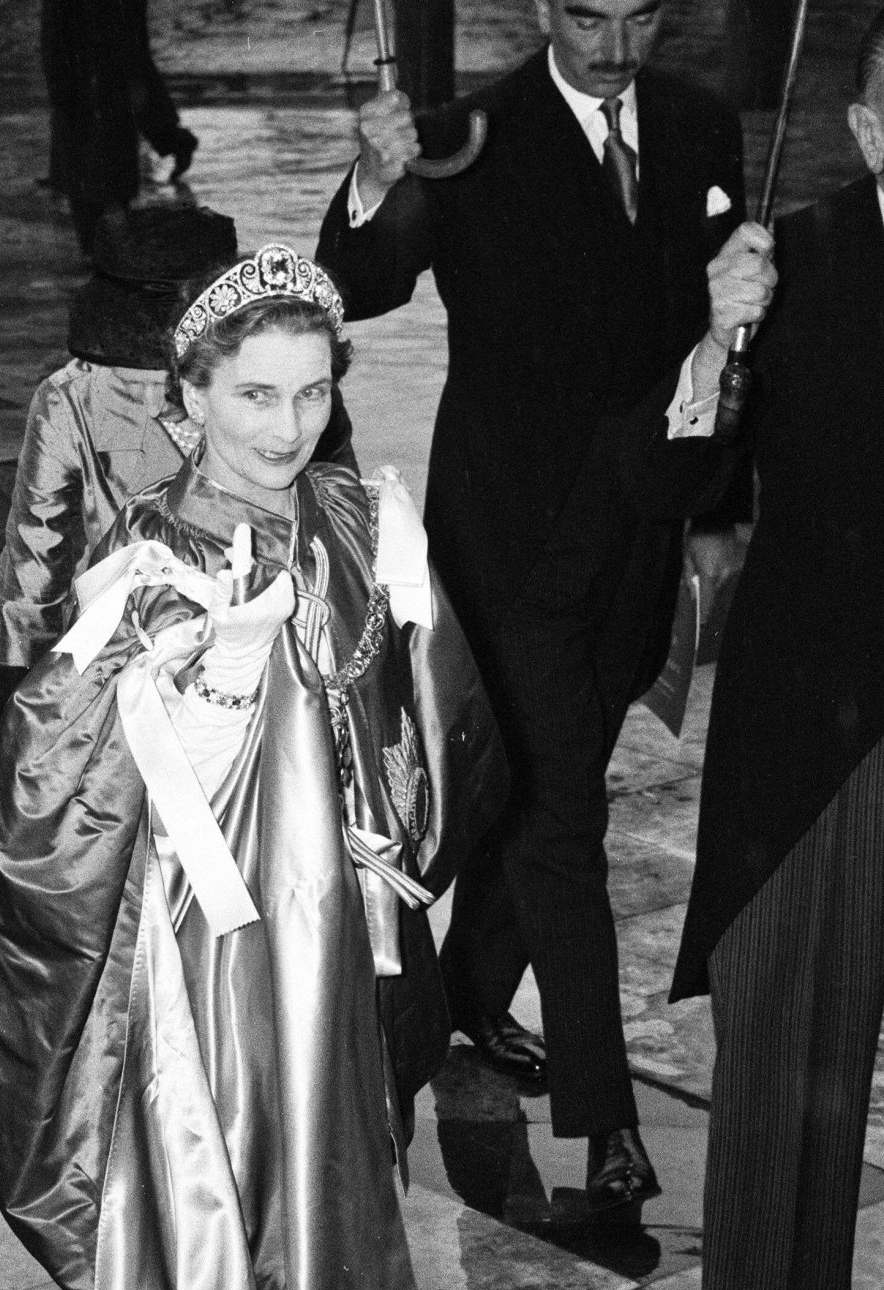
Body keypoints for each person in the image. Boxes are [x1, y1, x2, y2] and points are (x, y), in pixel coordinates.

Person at [0, 245, 507, 1290]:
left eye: (313, 391)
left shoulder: (356, 515)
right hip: (204, 977)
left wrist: (406, 679)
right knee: (206, 1239)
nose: (286, 425)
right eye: (254, 394)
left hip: (333, 960)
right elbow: (37, 793)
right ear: (187, 398)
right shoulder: (143, 560)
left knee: (325, 1236)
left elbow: (428, 731)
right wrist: (161, 695)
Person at [316, 0, 748, 1206]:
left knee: (537, 781)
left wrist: (714, 511)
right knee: (564, 820)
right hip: (510, 543)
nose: (615, 46)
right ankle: (604, 1126)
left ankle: (463, 997)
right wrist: (373, 173)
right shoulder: (472, 136)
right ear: (547, 9)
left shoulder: (700, 125)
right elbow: (360, 283)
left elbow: (725, 333)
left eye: (640, 16)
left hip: (640, 537)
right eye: (589, 17)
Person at [621, 10, 884, 1290]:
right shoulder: (790, 265)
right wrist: (714, 337)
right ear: (867, 129)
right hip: (813, 744)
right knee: (791, 1065)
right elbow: (689, 478)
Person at [0, 201, 357, 723]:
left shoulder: (70, 393)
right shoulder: (290, 380)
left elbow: (36, 566)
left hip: (131, 662)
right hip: (263, 645)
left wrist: (19, 708)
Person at [40, 0, 197, 257]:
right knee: (94, 176)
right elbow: (55, 43)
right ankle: (173, 141)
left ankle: (173, 141)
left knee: (104, 176)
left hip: (104, 83)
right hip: (90, 85)